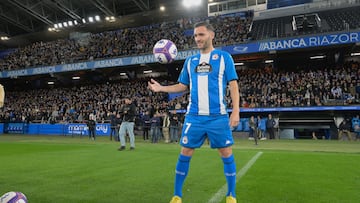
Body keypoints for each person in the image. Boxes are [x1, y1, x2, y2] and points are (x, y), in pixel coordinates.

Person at [148, 21, 240, 203]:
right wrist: (161, 88)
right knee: (185, 152)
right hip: (194, 117)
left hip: (218, 116)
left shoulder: (224, 58)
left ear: (211, 35)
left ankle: (231, 195)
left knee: (226, 153)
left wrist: (236, 110)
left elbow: (233, 85)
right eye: (196, 36)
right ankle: (177, 195)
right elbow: (182, 86)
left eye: (201, 35)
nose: (197, 39)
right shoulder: (190, 61)